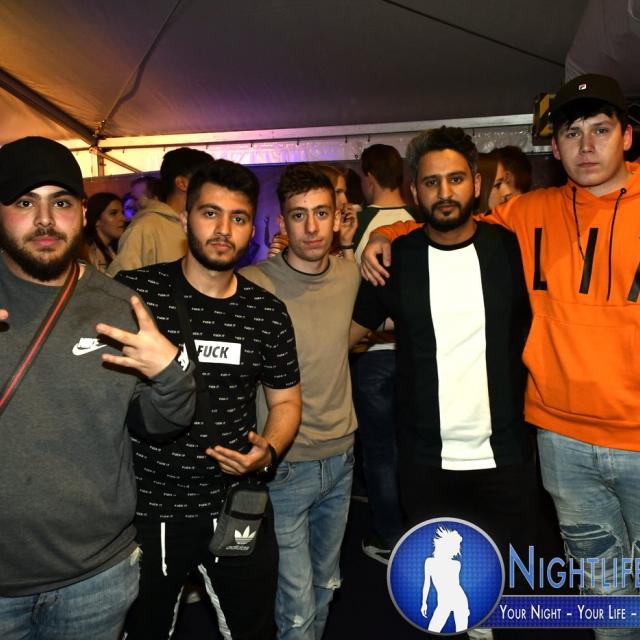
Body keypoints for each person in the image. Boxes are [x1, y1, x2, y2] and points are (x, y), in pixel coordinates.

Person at [360, 74, 639, 640]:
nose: (586, 146)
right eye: (572, 133)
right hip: (561, 440)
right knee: (605, 594)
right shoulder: (528, 214)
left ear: (627, 136)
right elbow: (451, 224)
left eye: (601, 130)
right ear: (553, 147)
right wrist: (386, 233)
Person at [0, 136, 196, 640]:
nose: (46, 220)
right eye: (25, 203)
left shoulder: (120, 305)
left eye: (61, 203)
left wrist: (172, 376)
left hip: (97, 578)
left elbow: (158, 425)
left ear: (83, 213)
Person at [350, 128, 537, 620]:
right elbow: (345, 336)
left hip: (507, 457)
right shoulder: (396, 258)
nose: (445, 192)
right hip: (425, 463)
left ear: (476, 183)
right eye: (431, 182)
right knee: (449, 603)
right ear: (414, 191)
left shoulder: (512, 249)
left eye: (456, 179)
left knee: (517, 593)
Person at [117, 158, 302, 640]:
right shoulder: (138, 295)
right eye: (210, 213)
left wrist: (269, 451)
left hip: (236, 503)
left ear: (252, 230)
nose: (223, 230)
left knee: (254, 629)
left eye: (238, 218)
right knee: (144, 631)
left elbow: (286, 402)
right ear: (185, 218)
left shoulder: (266, 312)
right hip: (150, 506)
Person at [241, 163, 360, 640]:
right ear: (281, 222)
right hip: (286, 464)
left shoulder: (351, 276)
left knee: (326, 583)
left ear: (338, 217)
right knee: (295, 603)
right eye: (298, 215)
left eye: (321, 213)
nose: (311, 227)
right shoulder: (252, 283)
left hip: (343, 456)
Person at [351, 143, 416, 564]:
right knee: (413, 447)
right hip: (414, 355)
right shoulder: (420, 219)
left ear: (369, 177)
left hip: (372, 353)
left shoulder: (361, 225)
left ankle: (392, 535)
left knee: (379, 452)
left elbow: (348, 295)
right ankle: (417, 526)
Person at [107, 147, 211, 276]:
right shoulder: (145, 227)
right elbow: (120, 280)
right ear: (182, 183)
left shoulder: (203, 226)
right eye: (204, 180)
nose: (212, 187)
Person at [81, 192, 126, 272]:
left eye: (122, 213)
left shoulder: (113, 249)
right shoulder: (89, 253)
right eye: (113, 213)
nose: (122, 218)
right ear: (97, 220)